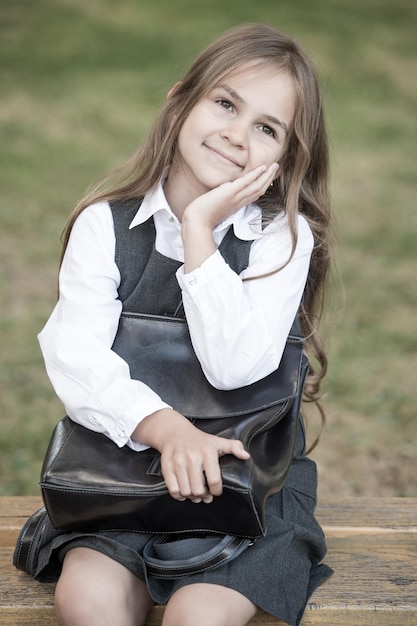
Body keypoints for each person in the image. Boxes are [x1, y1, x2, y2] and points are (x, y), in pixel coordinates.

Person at [34, 22, 333, 626]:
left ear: (285, 159)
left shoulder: (282, 239)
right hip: (125, 470)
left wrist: (199, 233)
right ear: (179, 104)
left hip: (251, 479)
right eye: (225, 103)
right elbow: (76, 356)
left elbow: (234, 367)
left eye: (266, 128)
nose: (235, 134)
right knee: (86, 599)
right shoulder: (106, 226)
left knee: (199, 614)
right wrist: (167, 430)